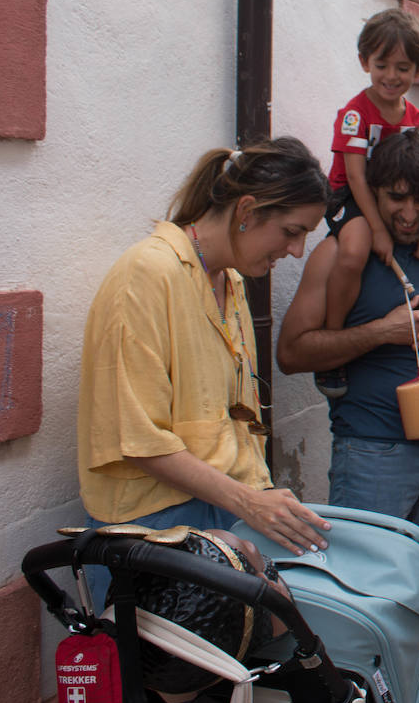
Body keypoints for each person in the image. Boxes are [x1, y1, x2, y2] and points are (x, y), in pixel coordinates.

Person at [77, 140, 333, 600]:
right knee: (162, 673)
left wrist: (260, 501)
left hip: (220, 516)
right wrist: (250, 503)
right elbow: (138, 441)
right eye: (292, 231)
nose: (296, 251)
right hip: (150, 533)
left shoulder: (230, 279)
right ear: (247, 210)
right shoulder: (146, 273)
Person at [276, 129, 419, 649]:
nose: (409, 213)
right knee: (362, 598)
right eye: (396, 198)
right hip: (371, 451)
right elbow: (291, 352)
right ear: (375, 193)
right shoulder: (341, 253)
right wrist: (383, 332)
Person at [318, 9, 419, 397]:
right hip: (351, 196)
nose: (391, 76)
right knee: (353, 251)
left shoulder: (414, 117)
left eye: (403, 67)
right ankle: (335, 349)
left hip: (396, 199)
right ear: (365, 62)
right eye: (382, 64)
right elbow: (354, 176)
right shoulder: (354, 114)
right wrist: (379, 231)